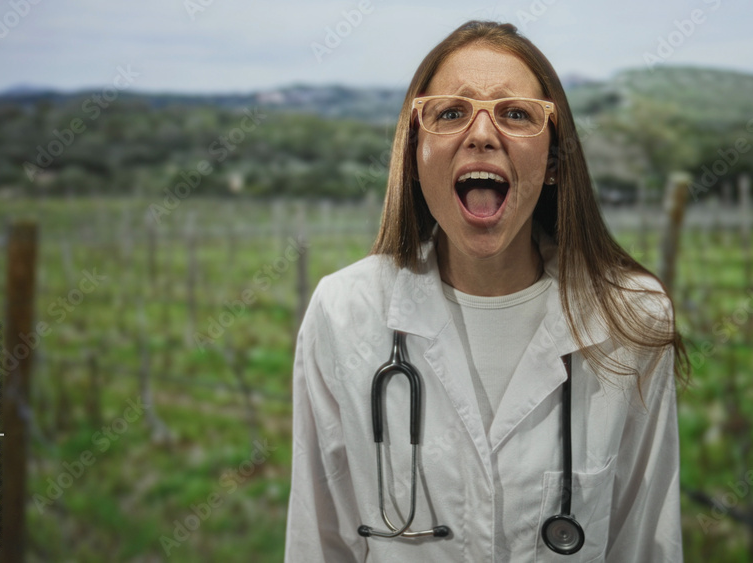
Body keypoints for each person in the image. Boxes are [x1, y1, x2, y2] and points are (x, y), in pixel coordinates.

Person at [285, 20, 688, 562]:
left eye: (516, 114)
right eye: (450, 112)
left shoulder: (631, 318)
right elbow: (319, 543)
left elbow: (645, 545)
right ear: (416, 153)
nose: (480, 133)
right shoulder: (344, 314)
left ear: (551, 161)